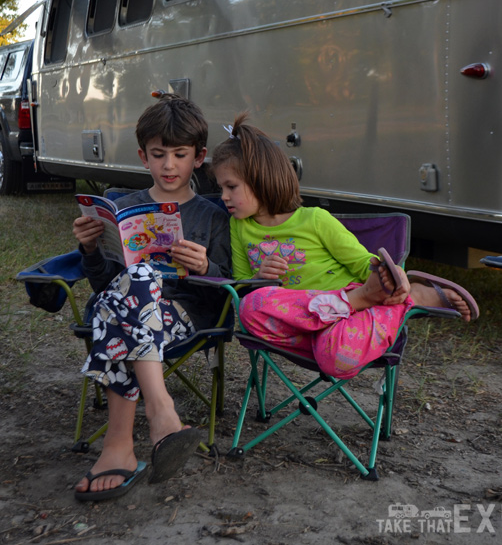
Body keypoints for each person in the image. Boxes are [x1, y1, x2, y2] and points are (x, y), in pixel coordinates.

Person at [212, 113, 479, 381]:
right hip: (300, 326)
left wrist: (382, 278)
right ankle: (405, 301)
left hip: (349, 312)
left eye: (231, 187)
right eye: (221, 187)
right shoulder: (239, 227)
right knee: (250, 306)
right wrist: (259, 279)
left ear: (261, 179)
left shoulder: (314, 219)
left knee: (338, 361)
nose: (223, 196)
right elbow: (241, 286)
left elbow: (364, 264)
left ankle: (405, 296)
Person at [72, 95, 231, 501]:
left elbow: (229, 284)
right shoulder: (123, 208)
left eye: (180, 154)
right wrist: (90, 251)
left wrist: (205, 267)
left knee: (121, 305)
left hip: (186, 313)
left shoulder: (213, 217)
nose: (169, 165)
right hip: (124, 310)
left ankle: (118, 447)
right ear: (143, 156)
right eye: (159, 155)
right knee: (129, 285)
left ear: (199, 158)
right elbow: (105, 283)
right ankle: (161, 414)